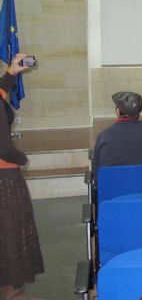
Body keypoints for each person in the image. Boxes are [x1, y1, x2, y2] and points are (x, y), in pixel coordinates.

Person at [0, 54, 44, 300]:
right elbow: (4, 147)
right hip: (4, 177)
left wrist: (11, 74)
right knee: (11, 231)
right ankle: (13, 293)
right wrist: (22, 159)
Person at [91, 91, 142, 174]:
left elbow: (96, 169)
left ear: (117, 111)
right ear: (138, 112)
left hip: (114, 186)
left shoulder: (104, 136)